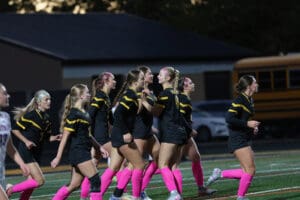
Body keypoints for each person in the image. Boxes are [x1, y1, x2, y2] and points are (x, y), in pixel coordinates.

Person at [206, 75, 260, 200]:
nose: (257, 85)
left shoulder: (249, 100)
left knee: (247, 170)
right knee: (250, 170)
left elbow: (243, 120)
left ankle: (220, 173)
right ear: (249, 86)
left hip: (243, 138)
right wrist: (247, 124)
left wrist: (251, 127)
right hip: (237, 139)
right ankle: (240, 197)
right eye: (255, 82)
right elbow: (229, 119)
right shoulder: (239, 100)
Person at [51, 84, 109, 200]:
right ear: (81, 96)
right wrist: (58, 157)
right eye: (87, 92)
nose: (89, 94)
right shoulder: (74, 114)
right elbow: (65, 137)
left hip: (83, 152)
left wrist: (99, 147)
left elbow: (88, 135)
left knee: (74, 185)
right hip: (79, 153)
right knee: (95, 180)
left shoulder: (84, 113)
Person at [7, 89, 61, 199]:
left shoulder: (46, 118)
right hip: (26, 151)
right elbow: (15, 130)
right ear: (38, 102)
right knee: (39, 181)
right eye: (46, 99)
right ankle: (10, 189)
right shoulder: (30, 116)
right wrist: (26, 141)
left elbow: (47, 138)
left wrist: (55, 138)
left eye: (50, 99)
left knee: (31, 183)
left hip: (37, 152)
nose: (49, 101)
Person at [100, 69, 145, 200]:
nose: (143, 81)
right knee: (140, 165)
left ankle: (103, 197)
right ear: (135, 82)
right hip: (121, 136)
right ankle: (137, 197)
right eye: (141, 79)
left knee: (113, 168)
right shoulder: (129, 95)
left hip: (117, 136)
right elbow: (118, 113)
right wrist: (125, 132)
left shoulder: (133, 95)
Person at [152, 67, 191, 200]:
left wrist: (146, 100)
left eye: (160, 75)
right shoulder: (177, 93)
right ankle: (178, 195)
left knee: (162, 165)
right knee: (173, 166)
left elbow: (155, 112)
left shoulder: (164, 93)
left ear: (168, 78)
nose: (157, 77)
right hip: (181, 133)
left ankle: (174, 193)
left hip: (170, 132)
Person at [178, 77, 217, 197]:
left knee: (196, 157)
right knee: (169, 165)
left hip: (186, 135)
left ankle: (201, 189)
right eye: (190, 83)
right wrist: (190, 129)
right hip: (179, 135)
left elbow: (184, 117)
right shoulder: (182, 99)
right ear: (184, 86)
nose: (193, 84)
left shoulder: (185, 99)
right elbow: (179, 118)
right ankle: (141, 185)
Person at [80, 72, 116, 200]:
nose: (115, 82)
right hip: (101, 139)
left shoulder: (106, 97)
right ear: (106, 81)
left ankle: (84, 197)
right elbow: (89, 115)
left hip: (100, 138)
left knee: (92, 170)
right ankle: (115, 194)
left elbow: (113, 120)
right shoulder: (100, 96)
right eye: (113, 79)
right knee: (121, 162)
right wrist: (85, 133)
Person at [0, 83, 30, 200]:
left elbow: (9, 147)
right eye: (4, 93)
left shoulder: (5, 117)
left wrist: (22, 164)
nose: (8, 96)